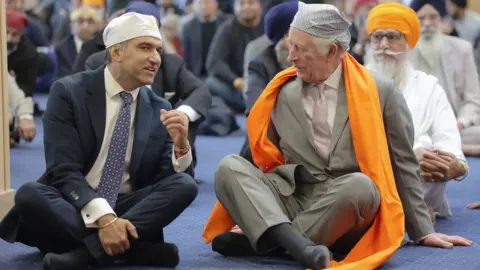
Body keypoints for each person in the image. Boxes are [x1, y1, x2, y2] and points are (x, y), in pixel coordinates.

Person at [203, 3, 471, 270]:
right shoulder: (282, 91)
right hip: (293, 195)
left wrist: (422, 230)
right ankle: (299, 246)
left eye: (300, 48)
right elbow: (261, 154)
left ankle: (270, 237)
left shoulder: (381, 92)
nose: (291, 57)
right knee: (230, 166)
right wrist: (249, 196)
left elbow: (404, 163)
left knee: (362, 187)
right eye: (290, 46)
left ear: (331, 51)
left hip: (344, 204)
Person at [0, 12, 198, 270]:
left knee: (185, 184)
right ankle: (132, 250)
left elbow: (165, 180)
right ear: (116, 52)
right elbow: (64, 170)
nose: (156, 58)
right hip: (74, 202)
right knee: (29, 194)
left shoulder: (158, 106)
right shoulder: (69, 92)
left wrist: (181, 144)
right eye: (145, 47)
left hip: (126, 204)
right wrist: (105, 219)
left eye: (158, 50)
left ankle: (84, 256)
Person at [365, 3, 468, 222]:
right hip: (372, 175)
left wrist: (454, 165)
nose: (384, 45)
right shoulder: (356, 84)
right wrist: (411, 157)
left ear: (408, 42)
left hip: (423, 179)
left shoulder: (429, 86)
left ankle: (408, 211)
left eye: (392, 37)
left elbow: (447, 137)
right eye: (377, 37)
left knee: (432, 158)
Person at [408, 0, 480, 156]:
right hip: (416, 128)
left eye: (433, 17)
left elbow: (473, 98)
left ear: (442, 19)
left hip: (457, 127)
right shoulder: (403, 50)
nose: (427, 24)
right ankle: (459, 149)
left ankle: (439, 148)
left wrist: (459, 124)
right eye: (421, 18)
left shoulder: (462, 49)